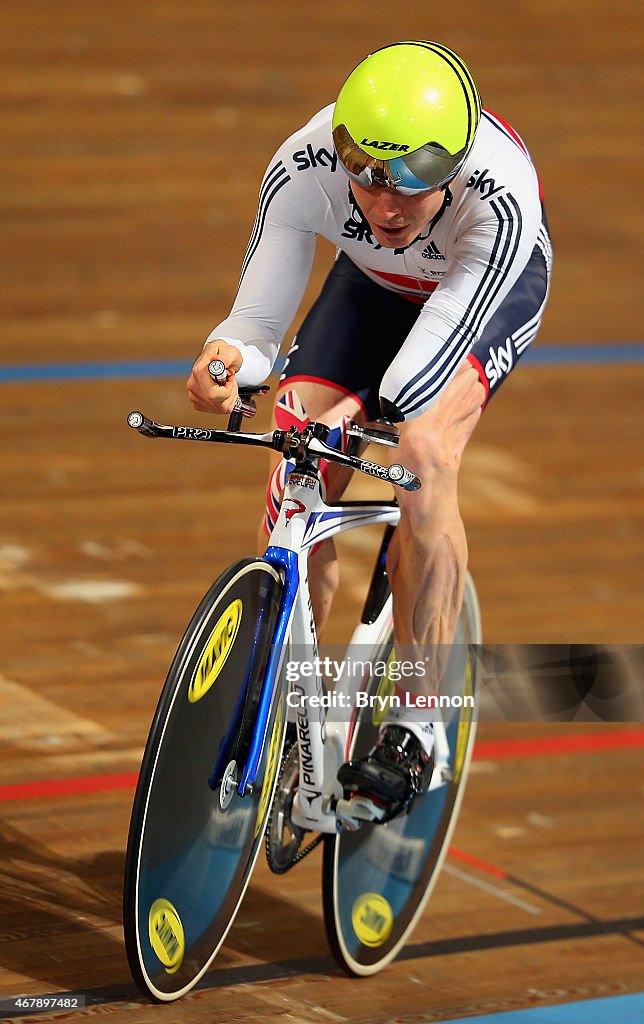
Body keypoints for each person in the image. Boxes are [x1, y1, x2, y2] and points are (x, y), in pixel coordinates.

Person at [187, 40, 552, 821]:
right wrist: (229, 359)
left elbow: (408, 388)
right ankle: (295, 696)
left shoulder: (501, 196)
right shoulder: (304, 162)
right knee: (301, 464)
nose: (385, 206)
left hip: (477, 293)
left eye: (415, 185)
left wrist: (345, 415)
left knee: (422, 452)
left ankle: (419, 718)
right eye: (369, 178)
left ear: (454, 168)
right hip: (373, 285)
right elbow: (255, 320)